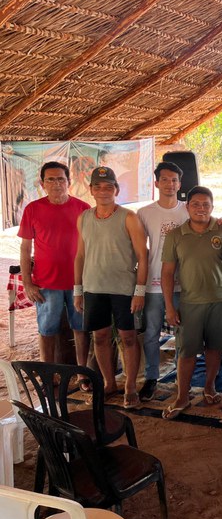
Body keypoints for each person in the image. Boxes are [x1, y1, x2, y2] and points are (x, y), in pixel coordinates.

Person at [73, 166, 148, 409]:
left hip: (124, 289)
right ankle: (109, 383)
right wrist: (78, 290)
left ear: (116, 189)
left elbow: (142, 256)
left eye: (108, 187)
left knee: (128, 337)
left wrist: (139, 291)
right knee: (100, 336)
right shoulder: (84, 218)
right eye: (98, 186)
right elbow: (80, 256)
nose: (103, 191)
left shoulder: (129, 217)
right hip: (94, 287)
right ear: (91, 190)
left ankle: (130, 386)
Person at [161, 186, 222, 420]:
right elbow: (167, 273)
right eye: (196, 204)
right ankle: (182, 396)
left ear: (212, 206)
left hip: (220, 301)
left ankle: (210, 386)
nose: (201, 208)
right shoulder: (176, 235)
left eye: (206, 204)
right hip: (190, 303)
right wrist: (169, 306)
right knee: (187, 351)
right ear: (187, 206)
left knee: (215, 347)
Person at [18, 161, 90, 371]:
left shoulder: (83, 209)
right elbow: (25, 249)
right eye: (50, 179)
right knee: (47, 330)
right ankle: (48, 374)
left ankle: (82, 373)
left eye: (61, 179)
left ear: (69, 182)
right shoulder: (32, 209)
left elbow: (93, 245)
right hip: (46, 283)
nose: (56, 183)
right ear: (42, 184)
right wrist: (27, 283)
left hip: (79, 283)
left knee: (81, 329)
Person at [136, 161, 189, 402]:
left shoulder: (189, 209)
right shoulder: (144, 213)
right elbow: (140, 251)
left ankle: (182, 376)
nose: (170, 184)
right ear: (156, 183)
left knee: (183, 333)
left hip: (184, 283)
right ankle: (151, 377)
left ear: (180, 184)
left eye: (174, 180)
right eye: (165, 180)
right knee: (151, 333)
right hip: (154, 283)